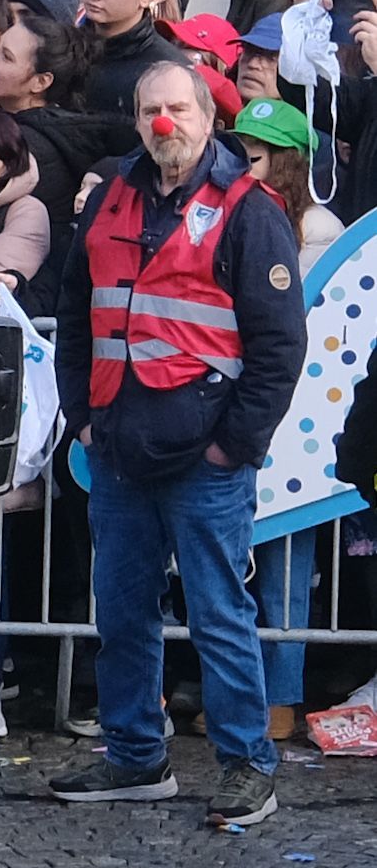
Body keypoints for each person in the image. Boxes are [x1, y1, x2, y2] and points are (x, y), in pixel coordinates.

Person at [61, 56, 300, 815]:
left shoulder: (247, 209)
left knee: (218, 613)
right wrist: (83, 416)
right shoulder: (110, 203)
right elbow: (75, 311)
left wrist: (236, 444)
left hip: (204, 457)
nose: (165, 123)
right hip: (121, 447)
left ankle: (246, 763)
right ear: (136, 120)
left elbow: (279, 345)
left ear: (207, 118)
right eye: (150, 110)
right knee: (121, 611)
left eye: (179, 110)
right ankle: (135, 756)